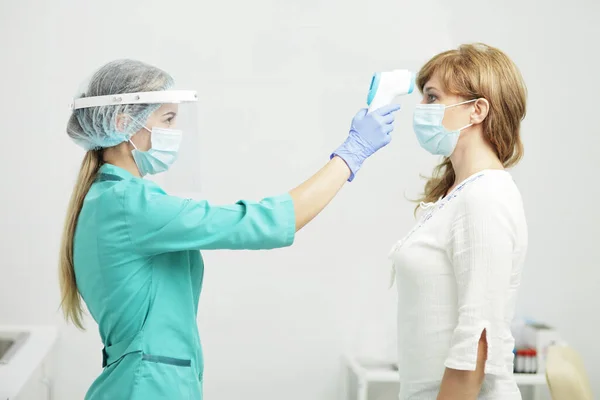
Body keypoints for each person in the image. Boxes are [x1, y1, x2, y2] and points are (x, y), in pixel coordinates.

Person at [59, 59, 400, 400]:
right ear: (122, 122)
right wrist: (351, 154)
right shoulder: (129, 203)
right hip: (146, 387)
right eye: (167, 119)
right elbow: (264, 222)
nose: (175, 131)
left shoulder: (109, 197)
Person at [388, 43, 528, 399]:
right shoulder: (459, 195)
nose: (422, 110)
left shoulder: (486, 197)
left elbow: (477, 340)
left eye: (432, 97)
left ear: (476, 110)